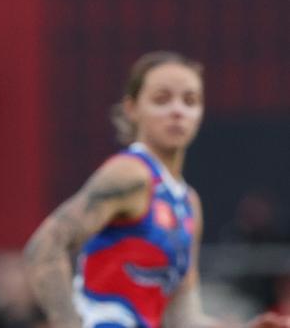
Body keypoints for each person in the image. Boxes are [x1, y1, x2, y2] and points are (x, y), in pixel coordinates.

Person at [23, 51, 290, 328]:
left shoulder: (189, 203)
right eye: (162, 99)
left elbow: (183, 318)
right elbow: (45, 246)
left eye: (190, 100)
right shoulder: (130, 175)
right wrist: (68, 323)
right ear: (131, 108)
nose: (177, 110)